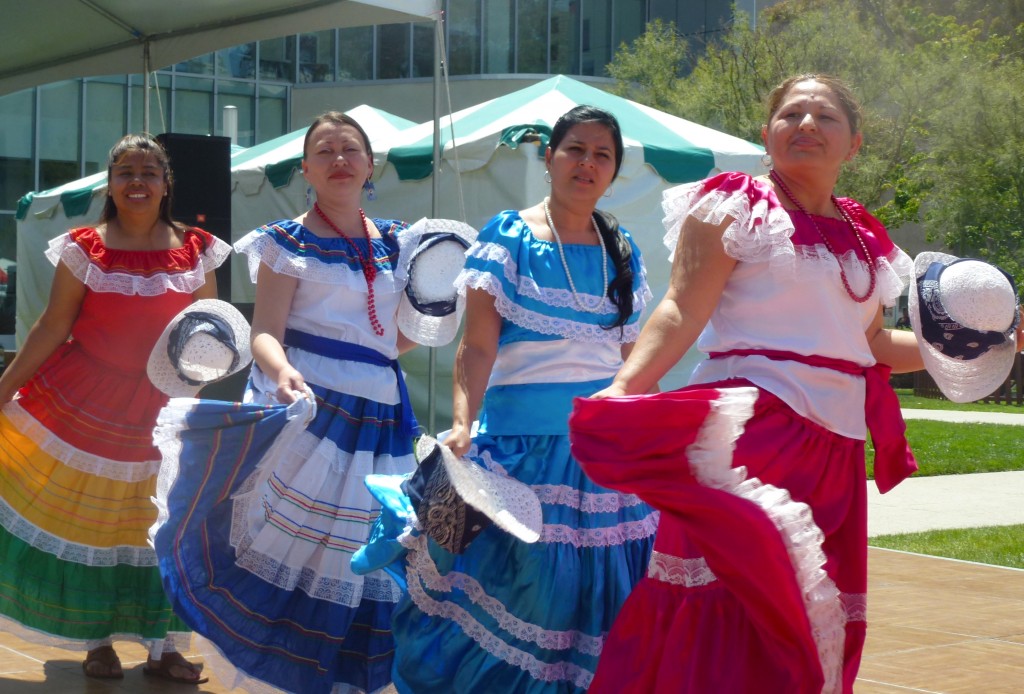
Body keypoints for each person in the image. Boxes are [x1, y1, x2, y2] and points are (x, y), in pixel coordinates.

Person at [569, 75, 930, 693]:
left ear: (855, 143)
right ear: (766, 134)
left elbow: (870, 346)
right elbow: (683, 306)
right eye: (792, 114)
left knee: (815, 625)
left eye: (824, 116)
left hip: (836, 453)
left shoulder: (864, 238)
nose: (807, 125)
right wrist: (626, 387)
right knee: (738, 610)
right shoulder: (738, 204)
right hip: (754, 438)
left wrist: (987, 345)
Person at [381, 105, 659, 692]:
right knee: (530, 592)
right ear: (549, 156)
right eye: (575, 149)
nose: (587, 163)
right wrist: (461, 423)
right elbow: (476, 348)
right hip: (522, 451)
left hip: (604, 455)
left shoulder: (622, 249)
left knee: (605, 599)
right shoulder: (508, 237)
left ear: (614, 170)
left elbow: (635, 360)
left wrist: (654, 436)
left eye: (602, 155)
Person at [150, 111, 419, 694]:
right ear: (306, 169)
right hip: (313, 408)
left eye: (351, 149)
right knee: (295, 547)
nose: (339, 159)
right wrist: (284, 371)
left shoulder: (402, 242)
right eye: (325, 151)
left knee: (365, 551)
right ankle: (286, 677)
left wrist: (422, 325)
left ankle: (345, 679)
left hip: (380, 416)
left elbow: (395, 335)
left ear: (371, 165)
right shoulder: (286, 241)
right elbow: (264, 331)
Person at [0, 134, 230, 683]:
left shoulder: (196, 248)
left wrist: (205, 392)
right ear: (110, 183)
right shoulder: (84, 248)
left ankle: (166, 647)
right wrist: (5, 387)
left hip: (169, 408)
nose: (137, 181)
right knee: (100, 525)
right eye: (126, 171)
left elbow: (213, 330)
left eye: (149, 172)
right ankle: (96, 642)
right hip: (87, 405)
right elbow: (53, 326)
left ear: (166, 184)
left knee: (165, 526)